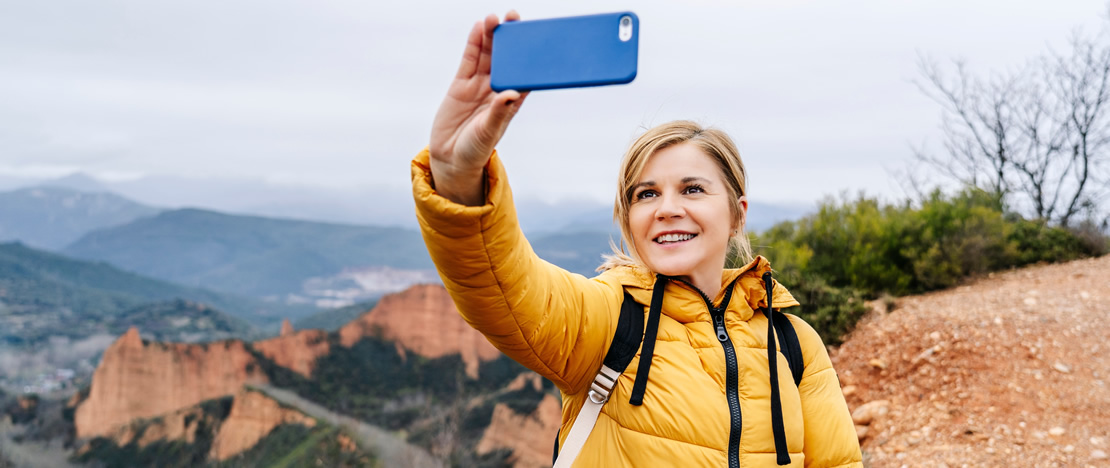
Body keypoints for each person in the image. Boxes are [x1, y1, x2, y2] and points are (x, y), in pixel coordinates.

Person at [411, 11, 863, 467]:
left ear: (736, 215)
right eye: (646, 194)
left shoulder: (794, 344)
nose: (667, 208)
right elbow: (502, 285)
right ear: (630, 220)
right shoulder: (610, 320)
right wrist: (458, 174)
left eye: (692, 189)